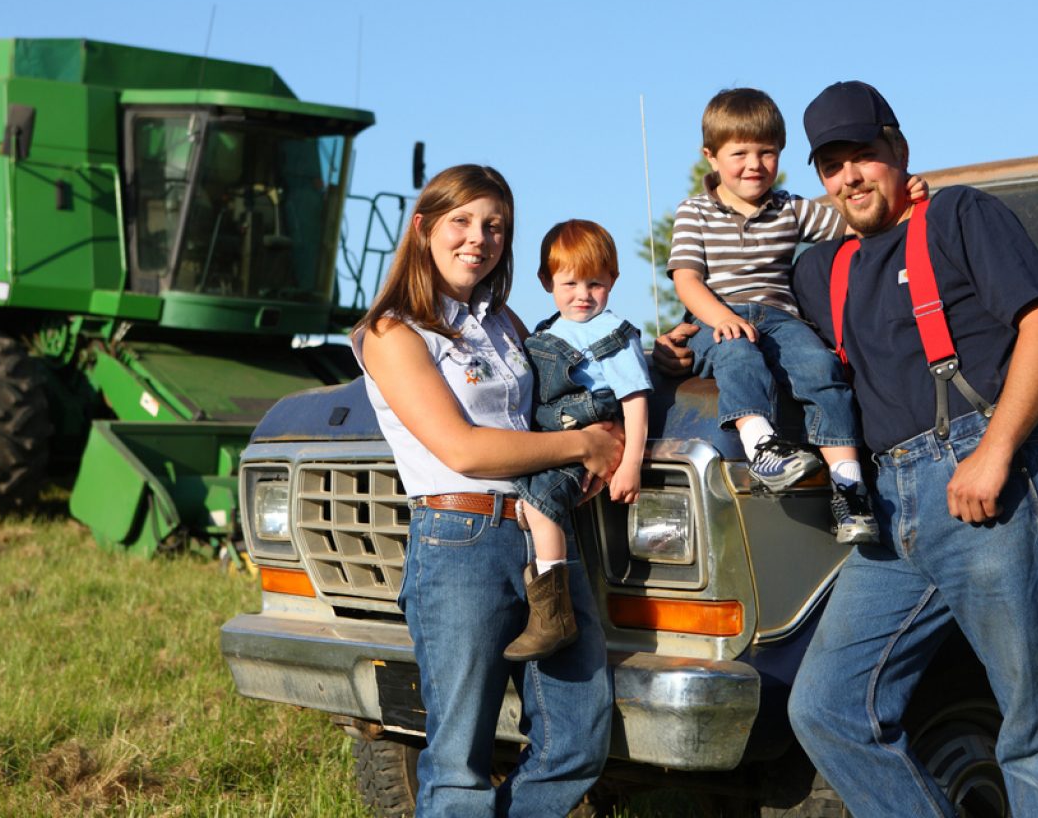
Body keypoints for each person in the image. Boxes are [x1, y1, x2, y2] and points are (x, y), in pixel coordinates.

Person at [782, 81, 1038, 817]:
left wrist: (994, 450)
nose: (849, 177)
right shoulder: (823, 269)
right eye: (832, 165)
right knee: (827, 708)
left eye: (864, 156)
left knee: (1035, 729)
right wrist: (683, 345)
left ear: (899, 150)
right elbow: (746, 297)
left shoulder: (961, 215)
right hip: (890, 507)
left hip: (991, 482)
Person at [351, 165, 622, 817]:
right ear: (423, 229)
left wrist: (648, 362)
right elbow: (464, 449)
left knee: (578, 737)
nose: (480, 237)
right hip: (459, 540)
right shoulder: (392, 332)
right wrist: (581, 445)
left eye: (495, 225)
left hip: (542, 533)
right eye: (462, 222)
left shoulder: (503, 322)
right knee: (460, 765)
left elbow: (556, 389)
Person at [669, 87, 915, 540]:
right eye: (739, 152)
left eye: (767, 152)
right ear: (711, 156)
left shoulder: (789, 209)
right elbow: (687, 278)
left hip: (779, 317)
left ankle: (850, 490)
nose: (754, 164)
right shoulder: (695, 212)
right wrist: (718, 317)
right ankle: (762, 445)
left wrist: (907, 198)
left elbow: (856, 219)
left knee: (821, 366)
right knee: (737, 353)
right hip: (715, 316)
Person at [504, 219, 652, 662]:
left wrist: (630, 465)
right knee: (534, 502)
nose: (583, 295)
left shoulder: (612, 335)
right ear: (547, 282)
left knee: (542, 504)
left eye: (596, 283)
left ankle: (552, 614)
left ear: (613, 282)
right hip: (552, 438)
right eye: (569, 283)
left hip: (588, 433)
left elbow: (635, 399)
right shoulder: (545, 332)